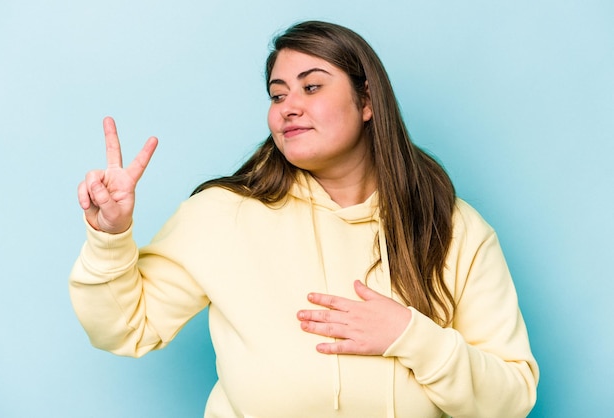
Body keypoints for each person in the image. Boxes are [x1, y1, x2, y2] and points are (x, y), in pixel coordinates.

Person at [70, 20, 539, 418]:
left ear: (367, 100)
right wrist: (109, 236)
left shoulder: (452, 227)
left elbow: (513, 397)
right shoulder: (221, 215)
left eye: (311, 87)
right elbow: (125, 327)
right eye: (278, 95)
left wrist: (410, 336)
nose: (288, 107)